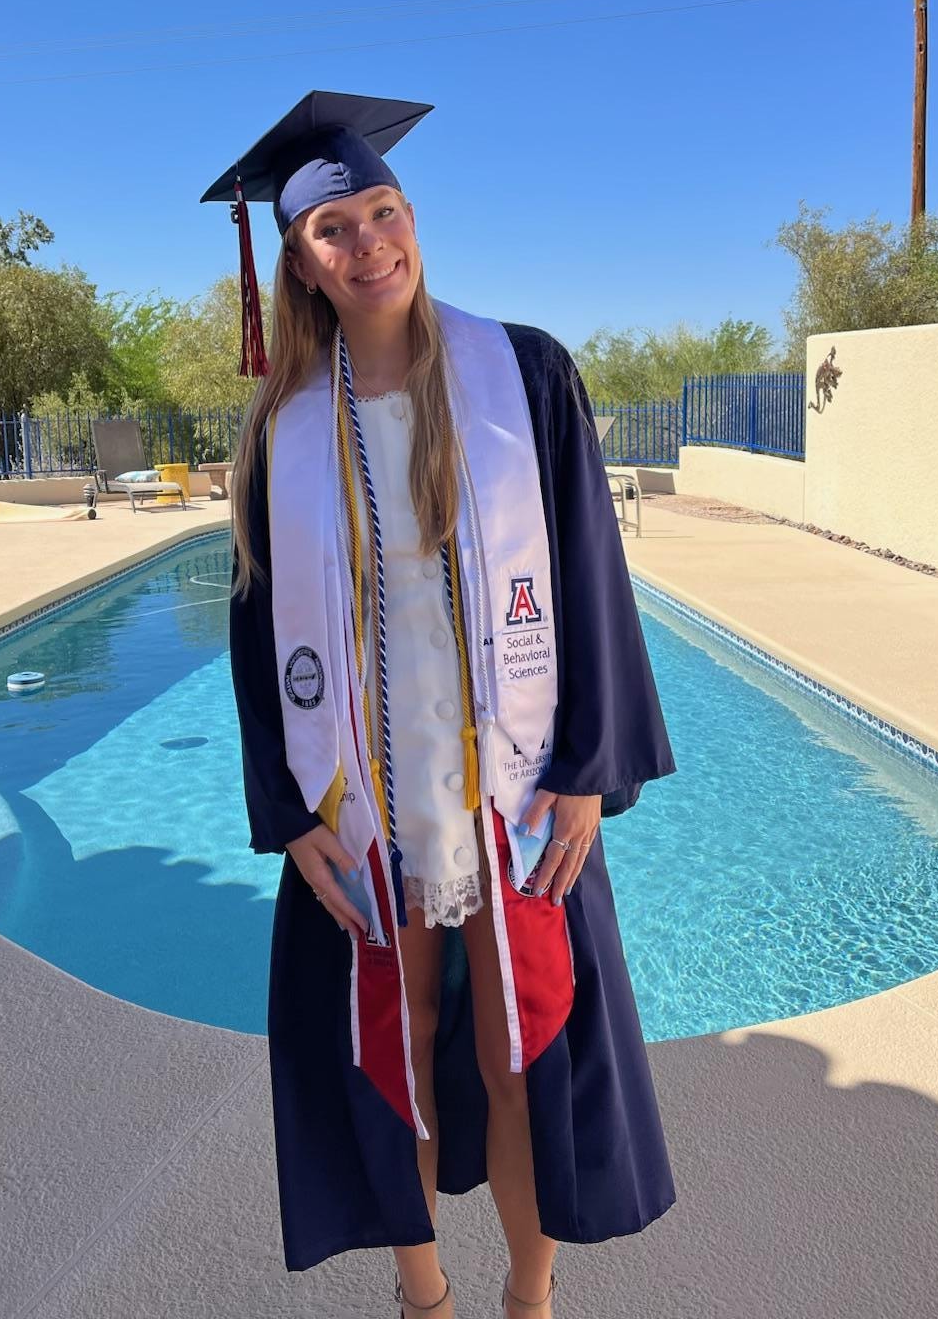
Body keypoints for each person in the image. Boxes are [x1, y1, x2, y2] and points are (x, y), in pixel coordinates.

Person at [210, 90, 678, 1317]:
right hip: (365, 790)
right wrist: (285, 811)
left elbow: (590, 575)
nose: (370, 243)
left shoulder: (524, 373)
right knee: (396, 1049)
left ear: (412, 218)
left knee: (518, 1046)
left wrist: (588, 765)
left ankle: (530, 1298)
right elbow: (255, 634)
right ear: (300, 268)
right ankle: (427, 1301)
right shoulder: (283, 433)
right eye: (334, 231)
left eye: (385, 211)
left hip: (508, 784)